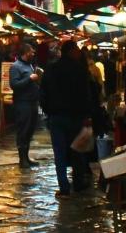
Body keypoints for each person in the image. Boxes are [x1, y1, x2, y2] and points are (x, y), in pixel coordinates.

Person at [40, 40, 94, 199]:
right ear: (70, 51)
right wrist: (86, 115)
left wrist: (49, 111)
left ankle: (64, 187)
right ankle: (78, 182)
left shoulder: (51, 69)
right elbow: (86, 95)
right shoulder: (80, 69)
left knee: (60, 152)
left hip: (56, 117)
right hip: (75, 117)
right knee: (77, 149)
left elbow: (43, 93)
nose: (79, 52)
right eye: (77, 49)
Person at [9, 43, 41, 168]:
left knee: (30, 131)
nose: (33, 53)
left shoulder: (30, 65)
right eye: (31, 51)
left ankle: (26, 158)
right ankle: (22, 159)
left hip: (32, 102)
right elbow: (14, 85)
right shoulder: (16, 67)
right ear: (26, 52)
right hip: (22, 104)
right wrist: (30, 79)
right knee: (23, 130)